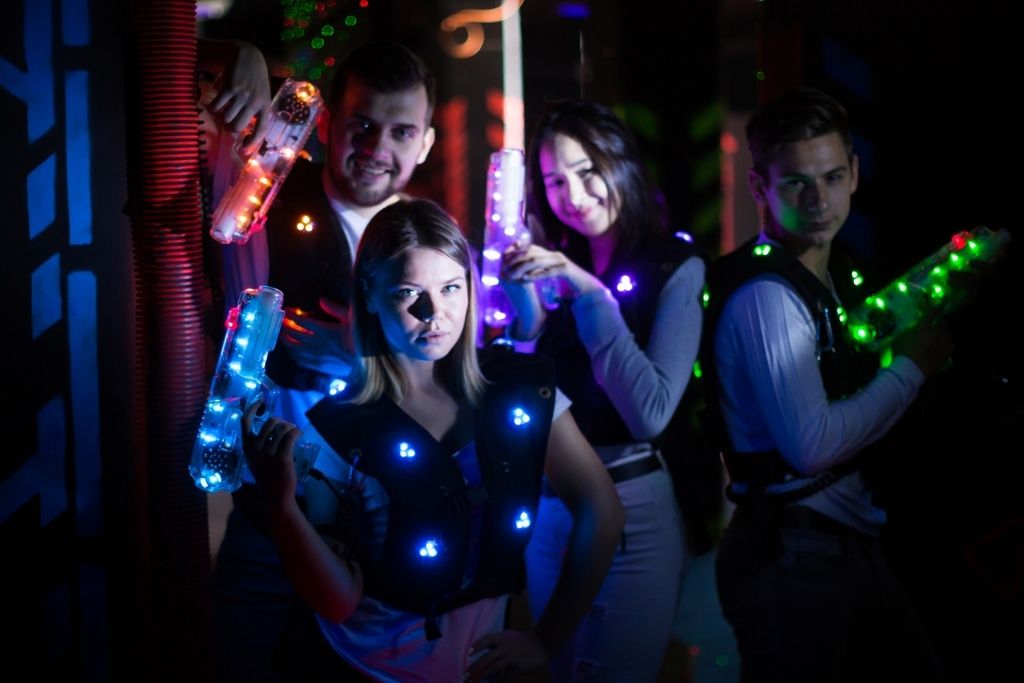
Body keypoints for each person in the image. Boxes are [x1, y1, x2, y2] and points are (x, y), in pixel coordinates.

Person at [241, 198, 625, 681]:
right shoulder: (335, 427)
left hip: (480, 666)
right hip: (363, 666)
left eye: (450, 288)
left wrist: (547, 639)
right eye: (408, 293)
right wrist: (282, 507)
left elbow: (603, 510)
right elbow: (338, 602)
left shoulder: (519, 389)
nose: (434, 313)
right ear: (372, 297)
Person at [203, 39, 439, 680]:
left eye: (400, 131)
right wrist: (243, 54)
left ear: (425, 143)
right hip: (269, 516)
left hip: (381, 526)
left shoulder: (429, 240)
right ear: (328, 123)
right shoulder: (265, 194)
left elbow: (456, 372)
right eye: (362, 124)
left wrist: (365, 353)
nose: (376, 148)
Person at [703, 86, 955, 682]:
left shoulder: (832, 272)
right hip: (794, 557)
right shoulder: (768, 295)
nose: (818, 199)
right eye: (796, 182)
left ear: (855, 174)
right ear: (760, 187)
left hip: (831, 546)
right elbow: (810, 445)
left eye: (832, 176)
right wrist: (911, 368)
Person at [500, 99, 707, 681]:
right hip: (552, 509)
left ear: (619, 162)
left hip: (635, 511)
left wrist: (591, 296)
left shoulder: (676, 266)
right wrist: (524, 320)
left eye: (587, 170)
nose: (575, 193)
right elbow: (533, 397)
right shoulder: (560, 264)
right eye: (555, 180)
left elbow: (649, 413)